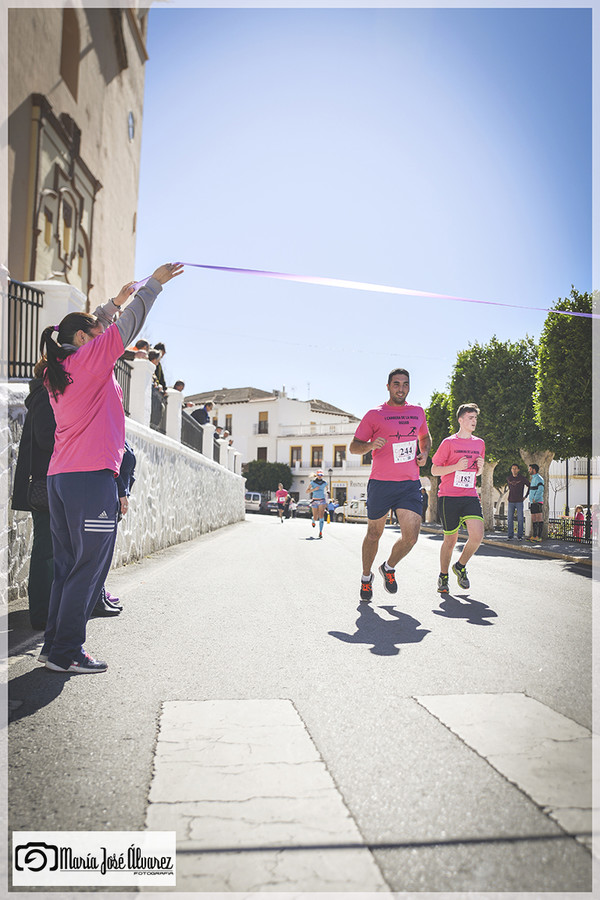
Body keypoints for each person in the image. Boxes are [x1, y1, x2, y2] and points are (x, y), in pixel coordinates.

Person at [38, 262, 183, 674]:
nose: (104, 334)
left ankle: (53, 648)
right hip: (90, 478)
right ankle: (67, 652)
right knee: (89, 568)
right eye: (96, 332)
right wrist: (152, 286)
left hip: (61, 478)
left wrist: (112, 304)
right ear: (83, 339)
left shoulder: (59, 366)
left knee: (67, 567)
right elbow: (123, 330)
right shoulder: (88, 360)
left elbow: (93, 329)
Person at [349, 368, 431, 600]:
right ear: (388, 386)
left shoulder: (417, 412)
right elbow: (354, 446)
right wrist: (370, 445)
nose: (401, 388)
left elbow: (424, 437)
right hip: (381, 484)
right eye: (396, 384)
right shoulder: (375, 414)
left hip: (409, 484)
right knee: (374, 533)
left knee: (411, 536)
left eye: (405, 384)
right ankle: (366, 578)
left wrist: (424, 453)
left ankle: (389, 567)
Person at [11, 364, 57, 630]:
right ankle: (41, 615)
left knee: (48, 548)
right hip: (44, 483)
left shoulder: (44, 393)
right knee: (45, 549)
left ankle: (46, 611)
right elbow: (46, 438)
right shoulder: (44, 394)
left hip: (48, 481)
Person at [431, 404, 485, 593]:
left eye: (475, 418)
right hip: (449, 497)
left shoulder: (479, 443)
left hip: (469, 495)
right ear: (460, 420)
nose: (474, 421)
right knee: (450, 541)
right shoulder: (448, 443)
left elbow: (477, 472)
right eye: (470, 417)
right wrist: (455, 467)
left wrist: (480, 468)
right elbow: (434, 469)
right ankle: (443, 576)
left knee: (477, 536)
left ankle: (460, 566)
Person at [506, 463, 529, 541]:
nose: (514, 470)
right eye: (512, 468)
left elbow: (530, 486)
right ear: (511, 470)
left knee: (520, 519)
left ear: (518, 470)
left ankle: (519, 536)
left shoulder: (522, 478)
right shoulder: (509, 478)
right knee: (509, 519)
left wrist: (525, 496)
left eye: (515, 468)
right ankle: (510, 536)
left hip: (519, 501)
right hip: (510, 501)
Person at [307, 470, 329, 538]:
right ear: (317, 475)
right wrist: (314, 489)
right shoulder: (312, 483)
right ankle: (313, 520)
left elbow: (327, 489)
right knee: (316, 517)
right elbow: (307, 491)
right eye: (319, 475)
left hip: (322, 500)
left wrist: (328, 491)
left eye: (321, 475)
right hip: (314, 501)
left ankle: (320, 532)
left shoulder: (324, 483)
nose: (320, 476)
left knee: (321, 516)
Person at [528, 463, 544, 541]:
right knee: (534, 518)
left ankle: (539, 536)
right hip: (532, 502)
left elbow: (540, 489)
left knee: (539, 518)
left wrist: (535, 498)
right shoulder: (533, 478)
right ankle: (534, 536)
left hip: (537, 502)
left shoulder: (539, 478)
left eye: (530, 469)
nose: (529, 470)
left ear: (534, 470)